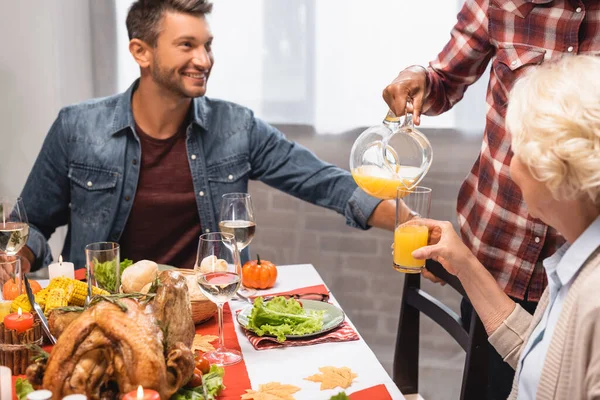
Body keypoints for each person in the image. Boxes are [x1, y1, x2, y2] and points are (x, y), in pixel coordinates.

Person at [17, 0, 403, 273]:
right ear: (141, 52)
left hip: (211, 308)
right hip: (108, 312)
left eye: (207, 46)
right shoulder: (77, 128)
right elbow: (30, 224)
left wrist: (408, 223)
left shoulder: (237, 125)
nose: (204, 60)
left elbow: (324, 182)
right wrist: (12, 262)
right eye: (187, 45)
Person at [382, 1, 600, 397]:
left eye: (522, 147)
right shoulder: (565, 275)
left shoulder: (591, 297)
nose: (509, 163)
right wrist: (465, 265)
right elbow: (533, 358)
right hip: (498, 256)